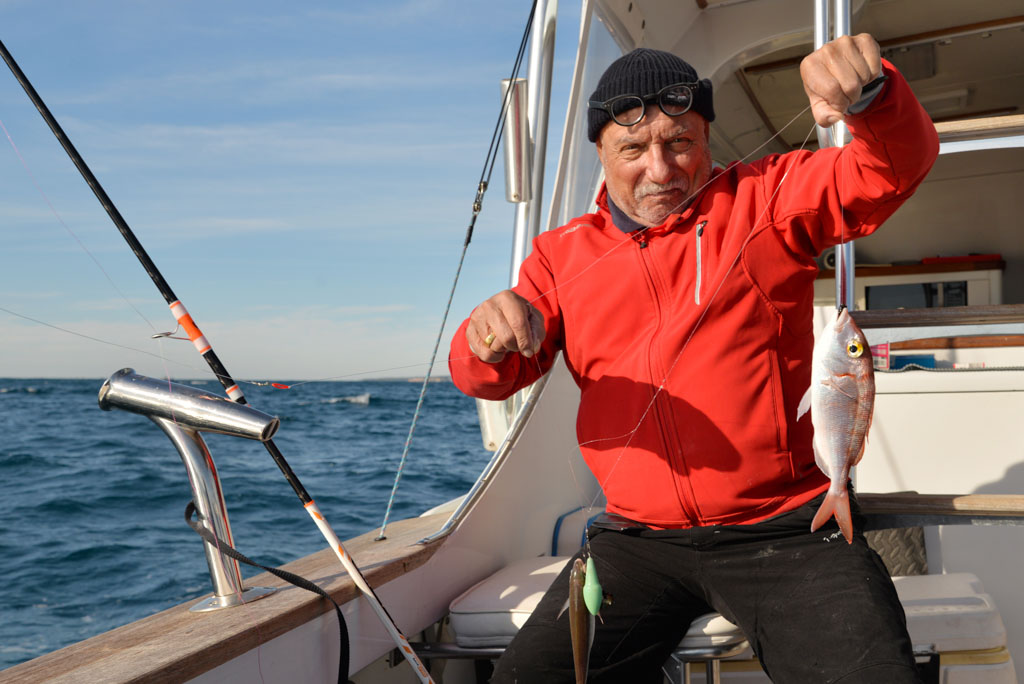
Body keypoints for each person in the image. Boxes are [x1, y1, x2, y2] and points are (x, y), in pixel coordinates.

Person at [449, 34, 938, 683]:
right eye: (632, 150)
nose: (660, 169)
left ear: (706, 137)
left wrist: (873, 97)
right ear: (600, 152)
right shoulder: (559, 256)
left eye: (679, 142)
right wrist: (484, 337)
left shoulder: (767, 197)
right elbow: (491, 376)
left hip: (788, 528)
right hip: (634, 543)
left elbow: (891, 169)